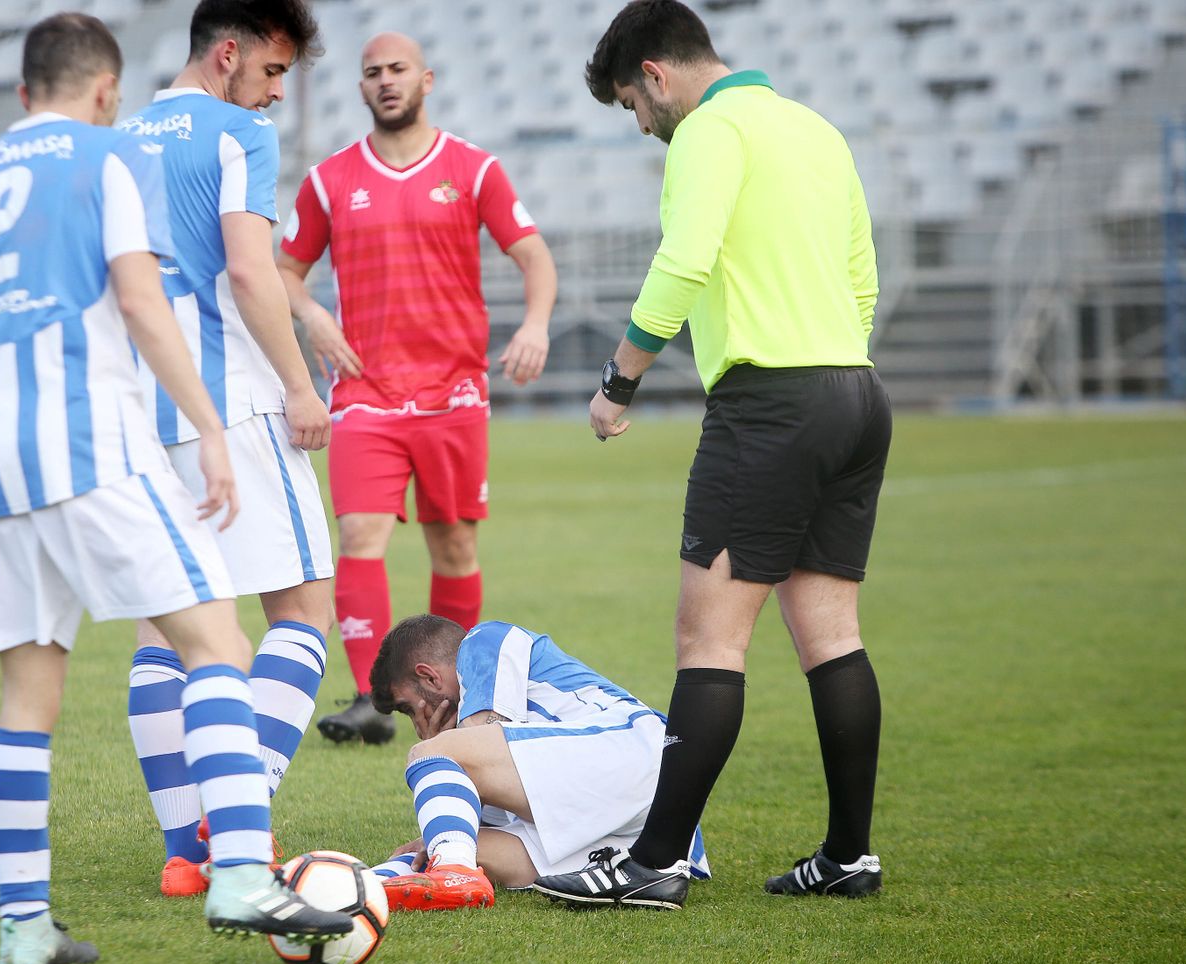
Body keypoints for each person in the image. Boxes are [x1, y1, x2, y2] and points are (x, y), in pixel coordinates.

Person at [0, 12, 351, 964]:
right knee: (222, 637)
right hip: (105, 445)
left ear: (21, 94)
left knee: (30, 693)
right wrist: (215, 423)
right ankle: (236, 866)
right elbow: (150, 298)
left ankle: (24, 930)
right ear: (102, 91)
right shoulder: (108, 161)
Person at [531, 0, 890, 910]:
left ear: (655, 74)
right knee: (831, 636)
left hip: (770, 404)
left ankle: (649, 865)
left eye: (632, 107)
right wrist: (830, 372)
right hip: (853, 390)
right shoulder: (814, 128)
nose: (643, 127)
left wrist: (619, 381)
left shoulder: (709, 129)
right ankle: (850, 855)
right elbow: (863, 277)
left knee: (709, 639)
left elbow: (683, 261)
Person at [276, 31, 559, 745]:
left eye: (397, 69)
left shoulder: (473, 169)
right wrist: (311, 313)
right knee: (359, 535)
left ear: (425, 79)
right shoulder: (329, 180)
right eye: (372, 72)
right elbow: (283, 271)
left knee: (454, 549)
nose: (385, 81)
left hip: (452, 394)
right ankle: (372, 698)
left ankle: (450, 697)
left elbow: (533, 256)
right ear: (362, 88)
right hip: (365, 392)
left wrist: (536, 325)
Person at [115, 0, 335, 900]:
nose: (277, 94)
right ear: (231, 55)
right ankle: (230, 820)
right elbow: (250, 271)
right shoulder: (236, 134)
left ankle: (181, 850)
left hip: (141, 413)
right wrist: (297, 385)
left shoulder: (118, 141)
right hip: (232, 404)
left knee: (164, 631)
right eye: (274, 72)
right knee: (305, 611)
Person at [363, 614, 710, 911]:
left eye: (410, 708)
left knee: (431, 753)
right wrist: (438, 841)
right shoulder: (515, 755)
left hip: (635, 749)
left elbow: (476, 737)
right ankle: (357, 888)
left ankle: (454, 873)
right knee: (464, 846)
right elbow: (490, 811)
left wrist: (440, 745)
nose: (417, 721)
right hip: (637, 823)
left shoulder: (483, 640)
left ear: (429, 677)